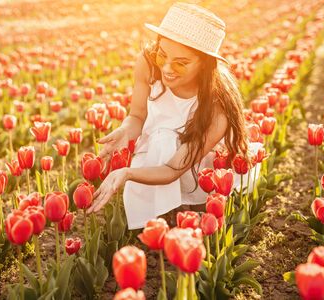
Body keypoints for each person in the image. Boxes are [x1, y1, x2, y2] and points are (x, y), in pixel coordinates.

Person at [86, 2, 263, 229]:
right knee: (162, 140)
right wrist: (125, 130)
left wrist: (128, 172)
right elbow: (138, 116)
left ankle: (190, 209)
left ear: (204, 65)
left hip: (198, 162)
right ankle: (169, 214)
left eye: (181, 64)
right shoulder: (148, 65)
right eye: (163, 55)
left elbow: (172, 170)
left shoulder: (218, 107)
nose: (167, 68)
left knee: (167, 143)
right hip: (158, 149)